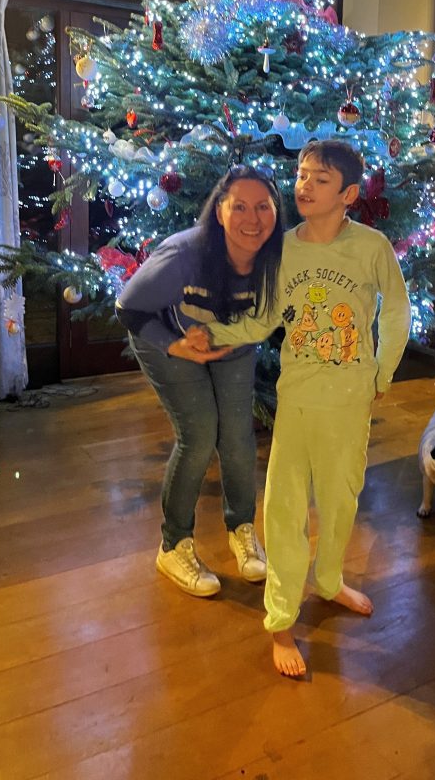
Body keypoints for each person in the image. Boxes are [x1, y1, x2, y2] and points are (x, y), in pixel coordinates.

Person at [189, 140, 411, 677]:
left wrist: (381, 371)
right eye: (301, 174)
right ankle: (282, 619)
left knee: (341, 498)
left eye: (319, 179)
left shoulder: (371, 247)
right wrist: (214, 331)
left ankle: (330, 580)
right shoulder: (284, 248)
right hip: (299, 399)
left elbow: (397, 308)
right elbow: (265, 318)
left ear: (349, 195)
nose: (304, 186)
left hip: (351, 398)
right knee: (285, 509)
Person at [115, 166, 284, 598]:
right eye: (240, 206)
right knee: (199, 434)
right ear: (219, 211)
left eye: (263, 206)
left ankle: (242, 527)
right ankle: (173, 544)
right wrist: (174, 346)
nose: (253, 218)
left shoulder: (280, 256)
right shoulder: (184, 255)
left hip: (235, 345)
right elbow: (129, 308)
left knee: (237, 435)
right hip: (168, 341)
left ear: (276, 211)